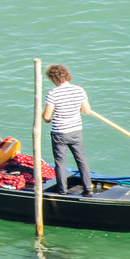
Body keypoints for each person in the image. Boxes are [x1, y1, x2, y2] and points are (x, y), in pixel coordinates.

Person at [42, 63, 94, 196]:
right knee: (81, 159)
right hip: (76, 131)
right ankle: (88, 188)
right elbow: (87, 110)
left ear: (53, 79)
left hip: (59, 133)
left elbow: (47, 116)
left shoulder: (52, 94)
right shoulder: (79, 90)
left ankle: (62, 191)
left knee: (60, 162)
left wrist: (47, 120)